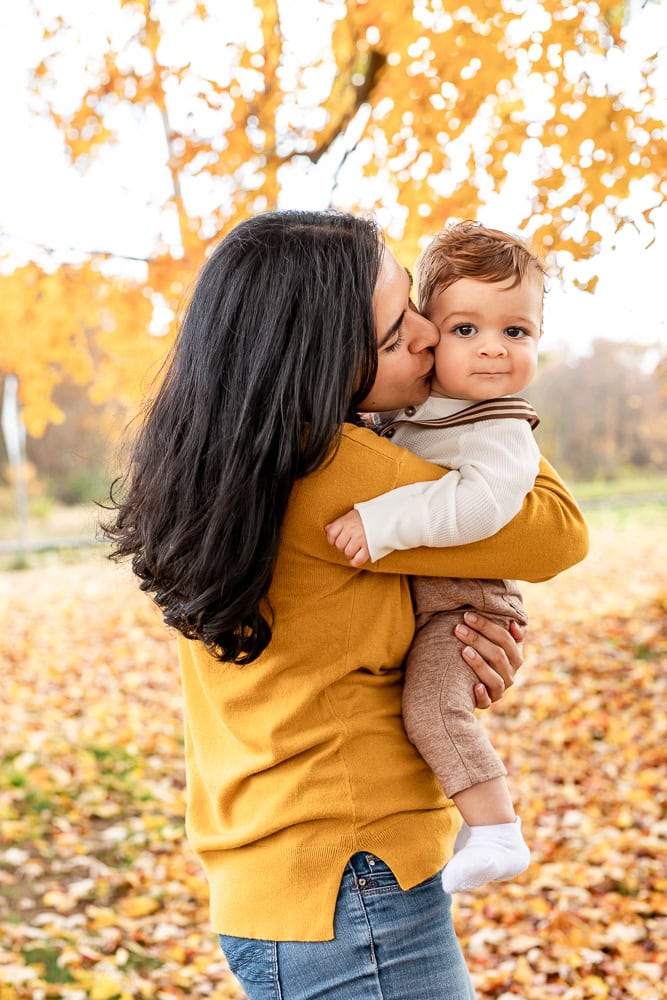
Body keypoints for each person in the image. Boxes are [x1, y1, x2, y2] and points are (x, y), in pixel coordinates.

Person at [104, 210, 588, 1000]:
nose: (434, 339)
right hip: (356, 880)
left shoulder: (232, 462)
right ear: (325, 358)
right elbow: (556, 535)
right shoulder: (340, 468)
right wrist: (493, 404)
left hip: (279, 871)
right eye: (401, 331)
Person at [326, 221, 552, 896]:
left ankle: (496, 832)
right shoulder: (423, 408)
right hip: (434, 600)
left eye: (515, 333)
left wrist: (382, 522)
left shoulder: (497, 423)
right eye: (464, 330)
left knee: (430, 706)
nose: (491, 351)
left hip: (464, 603)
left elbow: (483, 507)